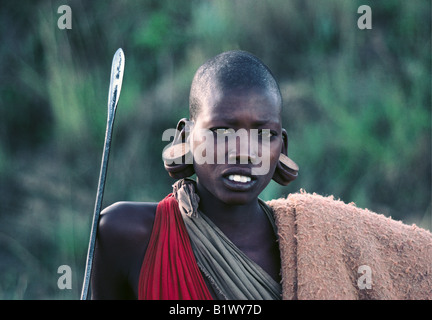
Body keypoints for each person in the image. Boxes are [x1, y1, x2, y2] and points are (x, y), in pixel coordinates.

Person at [91, 50, 432, 300]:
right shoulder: (126, 234)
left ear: (280, 146)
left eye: (263, 134)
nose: (244, 151)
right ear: (185, 137)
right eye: (223, 131)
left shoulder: (315, 243)